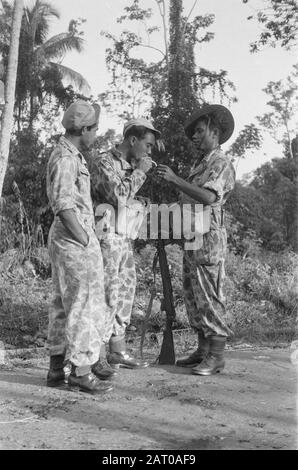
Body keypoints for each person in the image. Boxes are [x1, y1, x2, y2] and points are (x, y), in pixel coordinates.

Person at [156, 104, 236, 376]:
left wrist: (175, 179)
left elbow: (209, 198)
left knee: (210, 296)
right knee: (193, 296)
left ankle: (216, 355)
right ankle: (203, 350)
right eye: (193, 133)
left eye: (199, 131)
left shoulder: (220, 163)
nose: (194, 137)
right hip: (192, 237)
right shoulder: (200, 164)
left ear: (215, 132)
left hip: (208, 239)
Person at [46, 100, 113, 394]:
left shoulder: (71, 155)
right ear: (83, 129)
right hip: (73, 238)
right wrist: (85, 239)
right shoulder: (66, 158)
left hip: (69, 236)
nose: (96, 134)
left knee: (63, 302)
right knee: (83, 302)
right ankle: (81, 371)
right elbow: (63, 205)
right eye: (94, 128)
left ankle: (56, 366)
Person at [90, 118, 160, 372]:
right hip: (106, 238)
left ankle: (117, 351)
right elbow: (117, 197)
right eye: (148, 145)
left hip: (124, 238)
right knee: (105, 294)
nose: (149, 151)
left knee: (125, 293)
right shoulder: (104, 162)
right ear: (133, 140)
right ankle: (94, 356)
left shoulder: (130, 167)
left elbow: (129, 198)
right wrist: (141, 172)